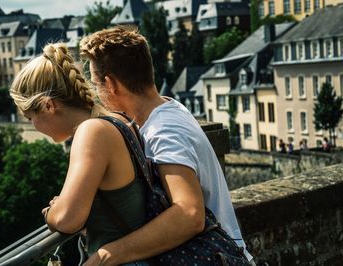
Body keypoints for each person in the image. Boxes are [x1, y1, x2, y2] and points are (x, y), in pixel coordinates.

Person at [79, 26, 253, 265]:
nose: (98, 94)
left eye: (97, 86)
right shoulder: (168, 109)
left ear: (111, 84)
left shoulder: (163, 131)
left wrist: (107, 255)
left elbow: (189, 214)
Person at [9, 43, 148, 263]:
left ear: (47, 106)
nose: (32, 125)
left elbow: (66, 219)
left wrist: (52, 211)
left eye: (29, 117)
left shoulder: (92, 132)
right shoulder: (116, 120)